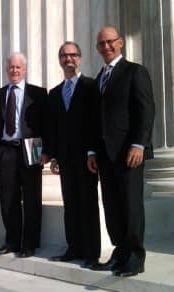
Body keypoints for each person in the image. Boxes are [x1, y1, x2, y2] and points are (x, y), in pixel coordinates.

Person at [87, 27, 155, 277]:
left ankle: (136, 256)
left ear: (120, 43)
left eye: (109, 42)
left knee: (131, 205)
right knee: (112, 205)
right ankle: (120, 251)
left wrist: (139, 144)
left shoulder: (135, 72)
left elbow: (146, 111)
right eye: (101, 44)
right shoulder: (98, 80)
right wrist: (92, 151)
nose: (105, 47)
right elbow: (96, 119)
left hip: (129, 153)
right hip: (105, 155)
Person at [0, 52, 49, 258]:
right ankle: (12, 241)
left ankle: (29, 243)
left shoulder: (39, 93)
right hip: (5, 150)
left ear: (24, 69)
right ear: (7, 70)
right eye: (11, 67)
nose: (14, 70)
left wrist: (46, 152)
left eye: (18, 67)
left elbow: (46, 125)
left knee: (32, 198)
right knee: (8, 199)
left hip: (31, 148)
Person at [47, 42, 101, 267]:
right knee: (70, 204)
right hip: (66, 159)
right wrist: (54, 156)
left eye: (72, 55)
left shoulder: (91, 86)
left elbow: (95, 122)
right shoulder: (55, 92)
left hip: (86, 157)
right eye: (64, 55)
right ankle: (74, 247)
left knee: (88, 203)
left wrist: (92, 151)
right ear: (59, 60)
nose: (68, 59)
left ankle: (91, 253)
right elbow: (54, 128)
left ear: (79, 58)